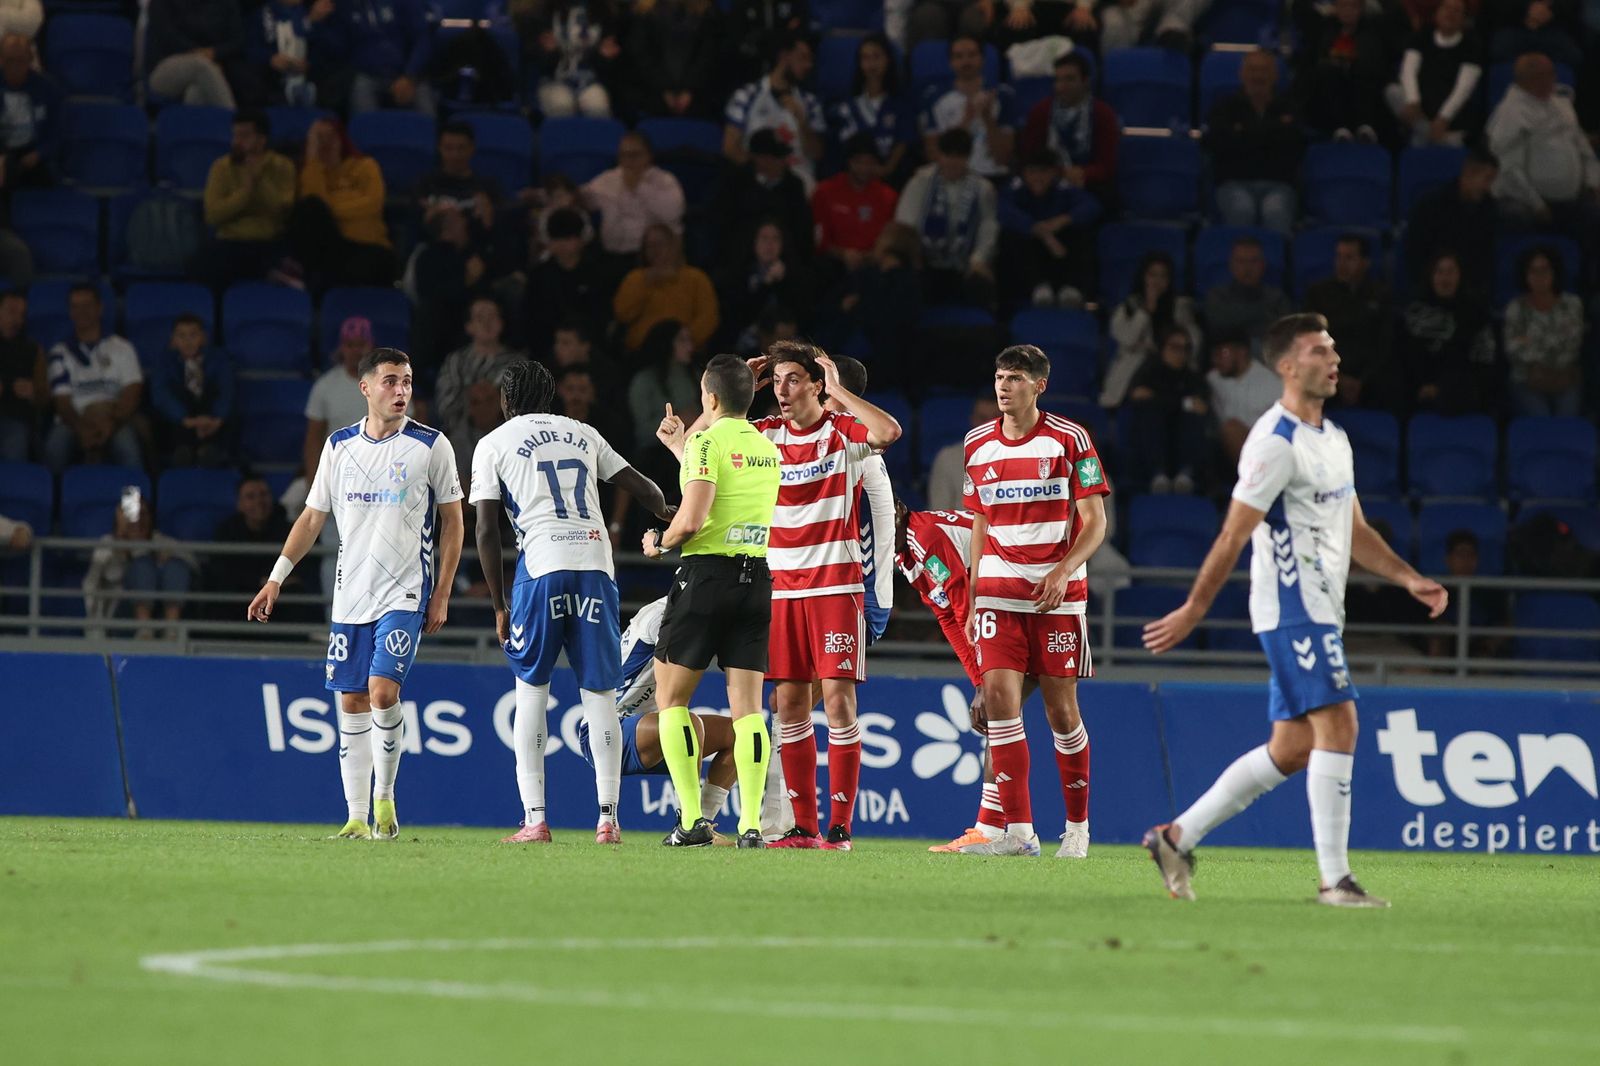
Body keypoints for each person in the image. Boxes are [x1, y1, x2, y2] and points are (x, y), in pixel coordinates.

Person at [1142, 312, 1448, 907]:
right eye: (1317, 351)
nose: (1333, 360)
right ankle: (1336, 881)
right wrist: (1194, 609)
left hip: (1322, 609)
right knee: (1342, 724)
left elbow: (1354, 528)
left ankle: (1175, 837)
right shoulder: (1273, 443)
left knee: (1292, 749)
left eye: (1333, 349)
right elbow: (1232, 536)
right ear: (1286, 366)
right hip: (1291, 608)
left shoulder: (1333, 439)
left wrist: (1409, 577)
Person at [248, 348, 465, 841]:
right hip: (351, 597)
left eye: (407, 381)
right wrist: (277, 577)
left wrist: (442, 592)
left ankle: (385, 800)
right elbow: (311, 517)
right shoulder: (338, 447)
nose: (401, 390)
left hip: (405, 592)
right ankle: (355, 818)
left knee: (383, 691)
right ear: (365, 388)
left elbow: (454, 522)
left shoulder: (431, 446)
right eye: (390, 381)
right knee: (350, 702)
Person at [472, 360, 672, 845]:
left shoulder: (493, 443)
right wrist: (670, 518)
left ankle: (535, 819)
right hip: (595, 566)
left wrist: (499, 605)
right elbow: (647, 489)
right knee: (600, 695)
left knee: (531, 694)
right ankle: (608, 820)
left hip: (541, 568)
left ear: (505, 400)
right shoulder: (583, 433)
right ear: (552, 396)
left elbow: (485, 529)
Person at [745, 342, 902, 849]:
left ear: (816, 384)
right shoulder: (764, 435)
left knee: (838, 703)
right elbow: (703, 446)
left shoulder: (843, 435)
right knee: (787, 704)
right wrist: (738, 395)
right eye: (776, 381)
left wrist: (839, 391)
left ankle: (840, 828)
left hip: (837, 587)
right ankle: (804, 828)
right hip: (782, 591)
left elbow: (888, 432)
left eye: (793, 379)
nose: (782, 390)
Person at [958, 344, 1109, 859]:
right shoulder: (977, 443)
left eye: (1016, 378)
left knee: (1061, 714)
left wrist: (1064, 570)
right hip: (999, 596)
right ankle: (1019, 834)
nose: (1004, 386)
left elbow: (1096, 522)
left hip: (1057, 600)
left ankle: (1078, 829)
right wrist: (975, 594)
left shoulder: (1070, 439)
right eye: (1000, 376)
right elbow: (979, 523)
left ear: (1038, 386)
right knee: (1000, 707)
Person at [646, 354, 783, 847]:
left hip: (706, 577)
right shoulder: (767, 448)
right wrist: (680, 443)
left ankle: (690, 821)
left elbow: (694, 518)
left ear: (709, 397)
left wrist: (661, 542)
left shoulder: (707, 441)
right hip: (756, 580)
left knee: (672, 700)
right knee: (747, 710)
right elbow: (717, 473)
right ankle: (750, 825)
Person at [1485, 51, 1600, 266]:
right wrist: (1536, 204)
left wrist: (1595, 182)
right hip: (1531, 204)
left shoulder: (1562, 105)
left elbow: (1585, 150)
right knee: (1516, 216)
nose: (1553, 79)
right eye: (1546, 75)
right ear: (1528, 80)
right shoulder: (1511, 113)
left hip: (1573, 198)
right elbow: (1509, 168)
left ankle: (1589, 285)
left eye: (1552, 73)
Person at [895, 127, 999, 308]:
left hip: (965, 265)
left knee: (983, 283)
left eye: (959, 157)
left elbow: (988, 229)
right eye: (948, 155)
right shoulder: (920, 181)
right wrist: (914, 258)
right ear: (939, 155)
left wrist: (979, 259)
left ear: (967, 158)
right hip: (925, 262)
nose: (952, 162)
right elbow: (905, 223)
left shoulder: (983, 188)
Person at [44, 285, 142, 474]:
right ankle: (56, 502)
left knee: (129, 450)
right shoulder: (60, 352)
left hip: (115, 417)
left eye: (87, 305)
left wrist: (112, 422)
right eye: (76, 306)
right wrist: (81, 428)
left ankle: (133, 504)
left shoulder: (121, 347)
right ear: (70, 312)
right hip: (74, 420)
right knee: (55, 448)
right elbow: (62, 402)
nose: (82, 312)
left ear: (99, 308)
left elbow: (132, 391)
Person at [196, 110, 297, 290]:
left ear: (261, 139)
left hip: (267, 241)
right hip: (231, 242)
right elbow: (212, 215)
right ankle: (264, 273)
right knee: (201, 264)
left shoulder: (283, 166)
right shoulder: (221, 167)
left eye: (244, 136)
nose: (236, 141)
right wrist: (246, 191)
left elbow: (281, 213)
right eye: (235, 135)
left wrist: (260, 181)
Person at [290, 118, 395, 289]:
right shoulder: (312, 173)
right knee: (309, 209)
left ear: (341, 139)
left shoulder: (365, 166)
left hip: (369, 246)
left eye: (330, 137)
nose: (326, 144)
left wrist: (331, 211)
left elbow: (372, 204)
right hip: (331, 248)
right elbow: (315, 210)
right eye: (319, 139)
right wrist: (313, 161)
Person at [1206, 50, 1303, 235]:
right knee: (1241, 210)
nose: (1258, 76)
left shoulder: (1290, 106)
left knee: (1276, 212)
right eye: (1252, 70)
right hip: (1234, 182)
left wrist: (1243, 133)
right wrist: (1273, 131)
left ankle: (1278, 263)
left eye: (1264, 70)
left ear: (1274, 75)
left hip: (1279, 184)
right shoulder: (1224, 107)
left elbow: (1294, 147)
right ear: (1242, 74)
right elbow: (1218, 145)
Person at [83, 489, 199, 640]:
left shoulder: (160, 541)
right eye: (132, 515)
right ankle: (144, 630)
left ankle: (172, 631)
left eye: (143, 514)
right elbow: (91, 583)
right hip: (122, 616)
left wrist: (165, 557)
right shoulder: (108, 544)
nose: (138, 520)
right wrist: (122, 550)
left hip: (161, 614)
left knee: (176, 565)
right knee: (142, 566)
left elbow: (193, 564)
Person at [1397, 251, 1499, 417]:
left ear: (1461, 276)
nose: (1445, 278)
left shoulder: (1477, 315)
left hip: (1459, 389)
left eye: (1451, 272)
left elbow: (1484, 362)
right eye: (1439, 272)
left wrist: (1442, 388)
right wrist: (1423, 385)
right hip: (1416, 388)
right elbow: (1404, 354)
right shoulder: (1414, 312)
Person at [997, 148, 1101, 310]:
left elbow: (1091, 206)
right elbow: (1003, 209)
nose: (1037, 177)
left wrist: (1062, 220)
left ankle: (1071, 287)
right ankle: (1037, 287)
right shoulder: (1015, 188)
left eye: (1043, 172)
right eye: (1032, 172)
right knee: (1011, 235)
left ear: (1053, 173)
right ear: (1024, 173)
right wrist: (1035, 228)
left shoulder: (1063, 188)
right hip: (1031, 252)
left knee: (1081, 231)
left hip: (1060, 251)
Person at [433, 297, 522, 480]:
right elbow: (446, 407)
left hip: (506, 440)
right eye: (480, 318)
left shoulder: (519, 364)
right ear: (469, 326)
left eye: (492, 317)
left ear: (501, 323)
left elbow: (524, 412)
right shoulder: (455, 362)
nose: (487, 323)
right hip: (462, 437)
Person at [1303, 233, 1394, 409]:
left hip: (1370, 376)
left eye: (1350, 258)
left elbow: (1385, 343)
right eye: (1339, 257)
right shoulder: (1318, 293)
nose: (1342, 263)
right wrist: (1340, 378)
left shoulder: (1381, 294)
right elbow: (1310, 339)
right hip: (1329, 370)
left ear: (1365, 262)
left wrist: (1362, 380)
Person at [723, 30, 825, 184]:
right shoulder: (746, 96)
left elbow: (817, 154)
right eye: (803, 58)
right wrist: (766, 167)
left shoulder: (810, 102)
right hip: (757, 181)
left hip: (799, 182)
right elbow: (730, 148)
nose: (808, 65)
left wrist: (803, 123)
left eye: (811, 60)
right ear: (784, 57)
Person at [1103, 250, 1202, 409]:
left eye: (1163, 276)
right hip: (1135, 367)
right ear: (1143, 277)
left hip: (1170, 369)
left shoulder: (1181, 307)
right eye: (1152, 275)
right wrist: (1146, 309)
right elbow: (1128, 339)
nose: (1157, 281)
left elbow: (1193, 342)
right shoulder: (1129, 306)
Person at [1017, 52, 1120, 201]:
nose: (1061, 86)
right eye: (1058, 80)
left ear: (1085, 81)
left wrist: (1083, 173)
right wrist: (1053, 173)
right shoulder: (1041, 112)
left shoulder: (1103, 114)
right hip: (1046, 181)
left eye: (1069, 79)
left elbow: (1107, 166)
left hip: (1088, 183)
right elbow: (1029, 156)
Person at [1290, 0, 1394, 144]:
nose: (1348, 11)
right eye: (1343, 6)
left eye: (1353, 7)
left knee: (1366, 70)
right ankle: (1339, 128)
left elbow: (1377, 63)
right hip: (1331, 90)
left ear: (1361, 9)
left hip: (1362, 89)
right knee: (1327, 71)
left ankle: (1365, 125)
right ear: (1336, 8)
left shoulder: (1372, 32)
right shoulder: (1324, 30)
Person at [1384, 0, 1484, 146]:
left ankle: (1428, 137)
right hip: (1420, 111)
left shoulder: (1472, 46)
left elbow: (1463, 89)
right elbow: (1408, 71)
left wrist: (1444, 118)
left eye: (1456, 10)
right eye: (1446, 8)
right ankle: (1431, 135)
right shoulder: (1422, 36)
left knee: (1425, 142)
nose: (1450, 13)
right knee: (1393, 91)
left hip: (1450, 114)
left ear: (1463, 19)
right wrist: (1413, 100)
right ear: (1437, 13)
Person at [919, 34, 1017, 181]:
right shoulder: (934, 97)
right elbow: (933, 155)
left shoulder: (1003, 95)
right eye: (959, 56)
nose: (966, 61)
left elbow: (1003, 158)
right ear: (950, 62)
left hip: (993, 177)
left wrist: (988, 118)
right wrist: (967, 120)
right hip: (951, 178)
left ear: (982, 58)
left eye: (972, 55)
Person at [311, 0, 435, 116]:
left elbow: (422, 39)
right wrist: (319, 24)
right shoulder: (344, 5)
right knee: (360, 91)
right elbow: (337, 49)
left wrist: (409, 75)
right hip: (366, 76)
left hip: (406, 73)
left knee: (424, 103)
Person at [1404, 146, 1499, 296]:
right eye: (1486, 179)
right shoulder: (1431, 205)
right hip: (1429, 290)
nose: (1488, 187)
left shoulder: (1488, 209)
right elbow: (1415, 253)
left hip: (1468, 294)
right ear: (1469, 174)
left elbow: (1485, 259)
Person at [521, 207, 613, 361]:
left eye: (567, 239)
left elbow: (602, 314)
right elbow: (532, 318)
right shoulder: (539, 275)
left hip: (590, 348)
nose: (562, 245)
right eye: (557, 239)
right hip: (549, 350)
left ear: (579, 240)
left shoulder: (597, 271)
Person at [1503, 245, 1584, 417]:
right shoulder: (1516, 307)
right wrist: (1554, 340)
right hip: (1527, 379)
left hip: (1565, 378)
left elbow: (1572, 344)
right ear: (1525, 275)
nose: (1539, 276)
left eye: (1544, 270)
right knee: (1541, 420)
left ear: (1554, 272)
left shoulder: (1572, 304)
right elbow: (1513, 348)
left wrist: (1530, 341)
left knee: (1566, 424)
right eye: (1533, 271)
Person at [1127, 326, 1210, 495]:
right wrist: (1181, 402)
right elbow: (1137, 394)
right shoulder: (1149, 371)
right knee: (1151, 414)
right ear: (1162, 348)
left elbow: (1201, 407)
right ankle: (1158, 475)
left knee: (1192, 420)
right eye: (1175, 347)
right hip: (1152, 438)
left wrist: (1159, 398)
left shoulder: (1192, 377)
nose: (1181, 353)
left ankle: (1185, 476)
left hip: (1182, 437)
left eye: (1186, 348)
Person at [811, 133, 898, 293]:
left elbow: (892, 239)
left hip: (874, 263)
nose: (864, 168)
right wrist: (843, 254)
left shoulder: (888, 196)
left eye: (869, 163)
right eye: (859, 162)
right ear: (848, 162)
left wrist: (871, 256)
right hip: (836, 263)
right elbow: (819, 240)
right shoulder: (825, 192)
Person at [612, 222, 718, 352]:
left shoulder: (696, 278)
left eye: (660, 244)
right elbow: (622, 314)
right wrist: (646, 282)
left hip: (686, 352)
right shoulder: (636, 278)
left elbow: (709, 317)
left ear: (673, 246)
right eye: (649, 246)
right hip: (643, 351)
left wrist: (684, 340)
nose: (655, 250)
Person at [149, 314, 235, 468]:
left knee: (215, 395)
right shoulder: (164, 362)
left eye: (193, 335)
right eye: (181, 335)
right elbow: (161, 395)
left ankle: (209, 451)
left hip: (211, 421)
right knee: (168, 404)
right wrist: (186, 420)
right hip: (181, 423)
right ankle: (183, 452)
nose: (188, 341)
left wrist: (218, 419)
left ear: (203, 337)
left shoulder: (219, 359)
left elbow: (227, 391)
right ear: (173, 339)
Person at [581, 132, 685, 259]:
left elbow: (672, 214)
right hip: (613, 254)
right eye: (623, 155)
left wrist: (639, 187)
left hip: (653, 257)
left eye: (634, 155)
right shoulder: (608, 179)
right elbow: (585, 199)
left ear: (649, 155)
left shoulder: (664, 180)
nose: (628, 160)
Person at [716, 219, 812, 352]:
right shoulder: (740, 274)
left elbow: (802, 313)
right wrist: (767, 284)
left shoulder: (794, 274)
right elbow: (741, 316)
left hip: (788, 341)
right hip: (749, 341)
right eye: (764, 238)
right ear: (754, 242)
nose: (769, 244)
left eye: (775, 239)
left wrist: (782, 282)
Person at [303, 317, 377, 486]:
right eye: (350, 345)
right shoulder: (325, 386)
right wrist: (315, 484)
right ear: (342, 348)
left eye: (362, 345)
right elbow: (313, 439)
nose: (356, 351)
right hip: (339, 477)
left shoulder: (389, 384)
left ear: (372, 347)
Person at [721, 127, 815, 260]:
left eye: (782, 157)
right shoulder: (735, 183)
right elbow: (724, 227)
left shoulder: (794, 185)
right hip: (741, 259)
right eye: (774, 158)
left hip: (785, 260)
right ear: (757, 158)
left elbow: (803, 232)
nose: (781, 163)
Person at [829, 33, 913, 180]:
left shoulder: (901, 104)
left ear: (888, 60)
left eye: (876, 57)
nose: (871, 64)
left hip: (889, 181)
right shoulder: (846, 106)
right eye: (865, 58)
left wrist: (886, 170)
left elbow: (902, 142)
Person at [625, 0, 724, 119]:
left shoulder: (709, 11)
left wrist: (689, 89)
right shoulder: (643, 11)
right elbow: (640, 53)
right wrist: (664, 88)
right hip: (651, 92)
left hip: (699, 94)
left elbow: (708, 54)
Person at [522, 0, 621, 118]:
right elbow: (532, 60)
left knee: (597, 104)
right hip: (552, 80)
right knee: (561, 102)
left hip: (590, 80)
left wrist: (603, 57)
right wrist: (548, 52)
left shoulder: (604, 12)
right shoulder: (542, 12)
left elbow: (610, 68)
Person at [144, 0, 244, 109]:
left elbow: (237, 41)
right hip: (164, 68)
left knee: (196, 92)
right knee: (200, 66)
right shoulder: (162, 3)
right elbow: (167, 36)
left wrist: (215, 52)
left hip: (211, 68)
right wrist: (203, 56)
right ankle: (233, 121)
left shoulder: (225, 3)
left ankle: (191, 125)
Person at [1204, 235, 1292, 354]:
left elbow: (1283, 332)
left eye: (1253, 261)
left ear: (1262, 264)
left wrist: (1237, 316)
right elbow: (1218, 324)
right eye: (1241, 261)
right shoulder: (1217, 295)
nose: (1247, 268)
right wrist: (1263, 313)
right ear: (1232, 265)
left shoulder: (1277, 297)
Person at [1206, 328, 1281, 465]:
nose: (1217, 360)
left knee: (1231, 428)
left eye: (1222, 353)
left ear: (1241, 352)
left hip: (1266, 452)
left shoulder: (1271, 383)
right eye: (1214, 354)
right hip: (1227, 454)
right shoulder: (1213, 379)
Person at [0, 32, 60, 191]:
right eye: (9, 61)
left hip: (33, 152)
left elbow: (57, 130)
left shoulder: (47, 88)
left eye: (21, 61)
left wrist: (40, 153)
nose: (15, 67)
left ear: (30, 60)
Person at [927, 397, 998, 511]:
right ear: (973, 420)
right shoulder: (948, 458)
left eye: (995, 418)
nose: (988, 425)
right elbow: (939, 513)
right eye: (983, 418)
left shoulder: (1023, 457)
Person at [0, 289, 42, 461]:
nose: (16, 319)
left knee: (16, 439)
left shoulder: (32, 349)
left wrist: (35, 392)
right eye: (11, 312)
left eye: (21, 314)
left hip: (16, 419)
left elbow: (44, 398)